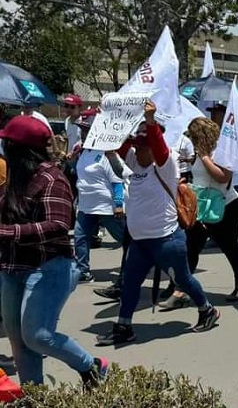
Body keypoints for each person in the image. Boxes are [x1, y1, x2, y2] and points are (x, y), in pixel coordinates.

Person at [96, 102, 220, 345]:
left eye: (145, 146)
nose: (140, 151)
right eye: (138, 146)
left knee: (183, 279)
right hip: (140, 241)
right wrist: (110, 119)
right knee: (130, 283)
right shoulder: (132, 157)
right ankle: (124, 327)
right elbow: (117, 145)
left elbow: (160, 149)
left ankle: (207, 310)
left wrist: (150, 121)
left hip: (167, 240)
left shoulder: (167, 161)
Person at [0, 115, 108, 386]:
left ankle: (91, 366)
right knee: (18, 339)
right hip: (12, 267)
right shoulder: (14, 178)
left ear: (19, 149)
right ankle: (35, 398)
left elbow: (58, 224)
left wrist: (8, 232)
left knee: (37, 335)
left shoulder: (52, 178)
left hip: (49, 266)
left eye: (6, 144)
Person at [160, 117, 238, 310]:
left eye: (193, 136)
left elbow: (223, 177)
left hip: (225, 207)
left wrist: (205, 158)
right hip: (202, 207)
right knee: (191, 247)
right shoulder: (200, 153)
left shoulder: (221, 151)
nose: (191, 140)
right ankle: (181, 290)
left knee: (229, 247)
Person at [73, 112, 127, 282]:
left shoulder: (106, 154)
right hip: (86, 206)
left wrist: (118, 204)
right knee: (80, 237)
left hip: (106, 206)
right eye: (81, 130)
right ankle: (83, 271)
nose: (82, 133)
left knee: (126, 239)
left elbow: (117, 180)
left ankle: (137, 265)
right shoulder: (83, 153)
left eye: (86, 130)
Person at [206, 102, 238, 244]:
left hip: (234, 177)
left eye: (216, 113)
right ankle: (215, 236)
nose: (213, 116)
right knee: (216, 206)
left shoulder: (232, 132)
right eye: (212, 113)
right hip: (216, 175)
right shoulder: (211, 132)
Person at [62, 94, 84, 160]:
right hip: (69, 157)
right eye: (66, 106)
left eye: (72, 107)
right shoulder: (67, 121)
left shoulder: (84, 122)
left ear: (80, 108)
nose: (68, 109)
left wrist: (75, 152)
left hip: (80, 157)